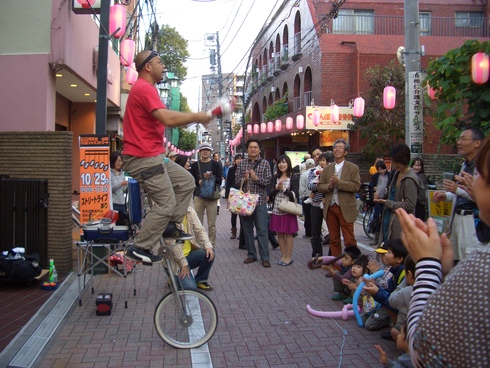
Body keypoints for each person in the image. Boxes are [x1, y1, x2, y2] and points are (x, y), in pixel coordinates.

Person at [396, 135, 490, 368]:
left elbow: (423, 352)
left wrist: (427, 265)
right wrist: (447, 276)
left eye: (480, 176)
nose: (473, 182)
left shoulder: (481, 268)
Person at [122, 50, 211, 264]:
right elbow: (167, 118)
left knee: (187, 181)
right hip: (144, 158)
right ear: (147, 67)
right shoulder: (144, 88)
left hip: (153, 156)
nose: (164, 67)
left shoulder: (147, 88)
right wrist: (197, 116)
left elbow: (168, 118)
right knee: (165, 203)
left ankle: (170, 226)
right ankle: (139, 246)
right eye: (160, 62)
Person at [433, 127, 486, 261]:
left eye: (463, 139)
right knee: (454, 259)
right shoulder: (465, 164)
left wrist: (456, 189)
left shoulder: (483, 166)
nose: (459, 143)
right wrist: (447, 195)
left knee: (471, 259)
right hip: (457, 217)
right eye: (459, 139)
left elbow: (481, 195)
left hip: (473, 220)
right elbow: (461, 192)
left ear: (477, 143)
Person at [317, 139, 361, 257]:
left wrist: (339, 182)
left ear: (345, 152)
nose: (337, 150)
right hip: (331, 207)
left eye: (340, 148)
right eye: (335, 148)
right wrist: (329, 186)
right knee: (334, 239)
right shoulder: (327, 168)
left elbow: (356, 186)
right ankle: (335, 266)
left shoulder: (353, 168)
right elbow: (320, 186)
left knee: (349, 239)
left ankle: (353, 266)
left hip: (346, 207)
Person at [374, 144, 421, 247]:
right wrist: (382, 194)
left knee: (396, 251)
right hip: (389, 217)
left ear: (403, 160)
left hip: (400, 222)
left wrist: (389, 203)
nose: (393, 164)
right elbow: (392, 193)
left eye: (395, 162)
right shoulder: (396, 173)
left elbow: (410, 204)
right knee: (386, 248)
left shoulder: (410, 179)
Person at [235, 139, 272, 267]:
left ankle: (265, 257)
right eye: (251, 147)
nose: (253, 149)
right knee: (247, 230)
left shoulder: (265, 163)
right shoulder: (241, 163)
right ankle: (251, 254)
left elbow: (268, 181)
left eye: (255, 147)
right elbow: (235, 181)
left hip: (260, 201)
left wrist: (256, 179)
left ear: (259, 149)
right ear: (247, 149)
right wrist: (244, 179)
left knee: (262, 230)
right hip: (245, 202)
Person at [363, 239, 407, 332]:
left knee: (369, 324)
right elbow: (388, 290)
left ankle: (397, 328)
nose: (385, 255)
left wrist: (377, 292)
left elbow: (393, 300)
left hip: (398, 308)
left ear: (399, 259)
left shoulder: (402, 274)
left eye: (389, 252)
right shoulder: (394, 270)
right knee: (364, 317)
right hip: (388, 304)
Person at [268, 155, 299, 266]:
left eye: (284, 162)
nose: (282, 165)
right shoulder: (275, 177)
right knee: (280, 234)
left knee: (288, 233)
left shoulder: (294, 177)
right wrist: (276, 189)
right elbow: (270, 194)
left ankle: (289, 257)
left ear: (288, 164)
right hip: (277, 208)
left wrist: (284, 189)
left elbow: (295, 194)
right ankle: (283, 256)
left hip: (288, 209)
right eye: (280, 163)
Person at [190, 143, 223, 247]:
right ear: (199, 152)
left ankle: (211, 244)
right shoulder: (195, 165)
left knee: (211, 224)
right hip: (198, 196)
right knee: (198, 223)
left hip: (212, 197)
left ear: (210, 152)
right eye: (203, 150)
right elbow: (191, 179)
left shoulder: (215, 164)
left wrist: (211, 178)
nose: (205, 151)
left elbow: (219, 179)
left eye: (207, 150)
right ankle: (200, 244)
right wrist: (198, 181)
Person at [385, 254, 415, 342]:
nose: (385, 255)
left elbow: (392, 300)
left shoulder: (407, 291)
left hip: (409, 328)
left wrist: (405, 280)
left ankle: (407, 350)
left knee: (395, 331)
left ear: (409, 274)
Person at [308, 152, 332, 257]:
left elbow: (332, 186)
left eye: (323, 160)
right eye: (319, 159)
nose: (321, 161)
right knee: (315, 232)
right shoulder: (313, 171)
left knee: (332, 231)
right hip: (316, 205)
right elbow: (310, 186)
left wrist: (322, 185)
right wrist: (321, 185)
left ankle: (332, 256)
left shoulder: (332, 171)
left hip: (329, 205)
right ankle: (317, 255)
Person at [369, 160, 392, 245]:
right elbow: (372, 186)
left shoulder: (390, 175)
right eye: (379, 170)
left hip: (387, 199)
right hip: (378, 200)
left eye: (383, 169)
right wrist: (374, 190)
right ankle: (377, 238)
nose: (381, 171)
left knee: (386, 219)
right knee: (377, 218)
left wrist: (387, 189)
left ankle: (385, 239)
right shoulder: (375, 176)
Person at [225, 154, 243, 240]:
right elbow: (228, 182)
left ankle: (241, 233)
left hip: (242, 193)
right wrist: (227, 195)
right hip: (233, 193)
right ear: (235, 160)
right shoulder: (231, 169)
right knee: (233, 214)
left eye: (240, 159)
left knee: (242, 214)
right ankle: (233, 232)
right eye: (237, 159)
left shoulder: (244, 169)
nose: (239, 161)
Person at [299, 158, 315, 238]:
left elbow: (302, 188)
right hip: (316, 197)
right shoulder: (316, 173)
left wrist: (302, 197)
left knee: (307, 216)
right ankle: (315, 233)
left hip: (306, 197)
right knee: (315, 216)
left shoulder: (304, 175)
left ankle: (308, 233)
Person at [110, 151, 127, 215]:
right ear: (113, 161)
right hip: (113, 204)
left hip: (122, 204)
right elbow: (109, 189)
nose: (120, 163)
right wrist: (121, 184)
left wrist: (127, 186)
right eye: (118, 161)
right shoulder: (109, 173)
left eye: (121, 161)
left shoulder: (122, 174)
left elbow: (123, 190)